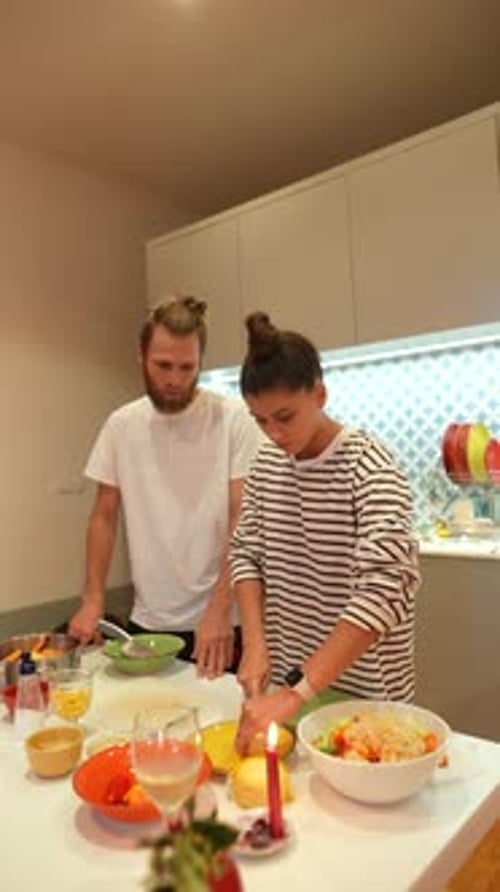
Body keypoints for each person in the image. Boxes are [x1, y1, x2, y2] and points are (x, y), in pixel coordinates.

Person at [230, 312, 421, 749]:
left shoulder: (369, 466)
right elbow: (245, 554)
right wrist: (255, 644)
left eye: (284, 416)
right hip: (289, 696)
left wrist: (297, 692)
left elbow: (385, 589)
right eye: (260, 420)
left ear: (319, 395)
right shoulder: (267, 463)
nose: (274, 434)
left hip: (366, 698)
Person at [69, 296, 261, 677]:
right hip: (149, 621)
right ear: (141, 356)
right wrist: (93, 598)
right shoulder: (121, 425)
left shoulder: (234, 419)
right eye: (163, 366)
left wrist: (220, 608)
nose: (174, 379)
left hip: (221, 623)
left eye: (187, 367)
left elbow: (243, 519)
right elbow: (104, 516)